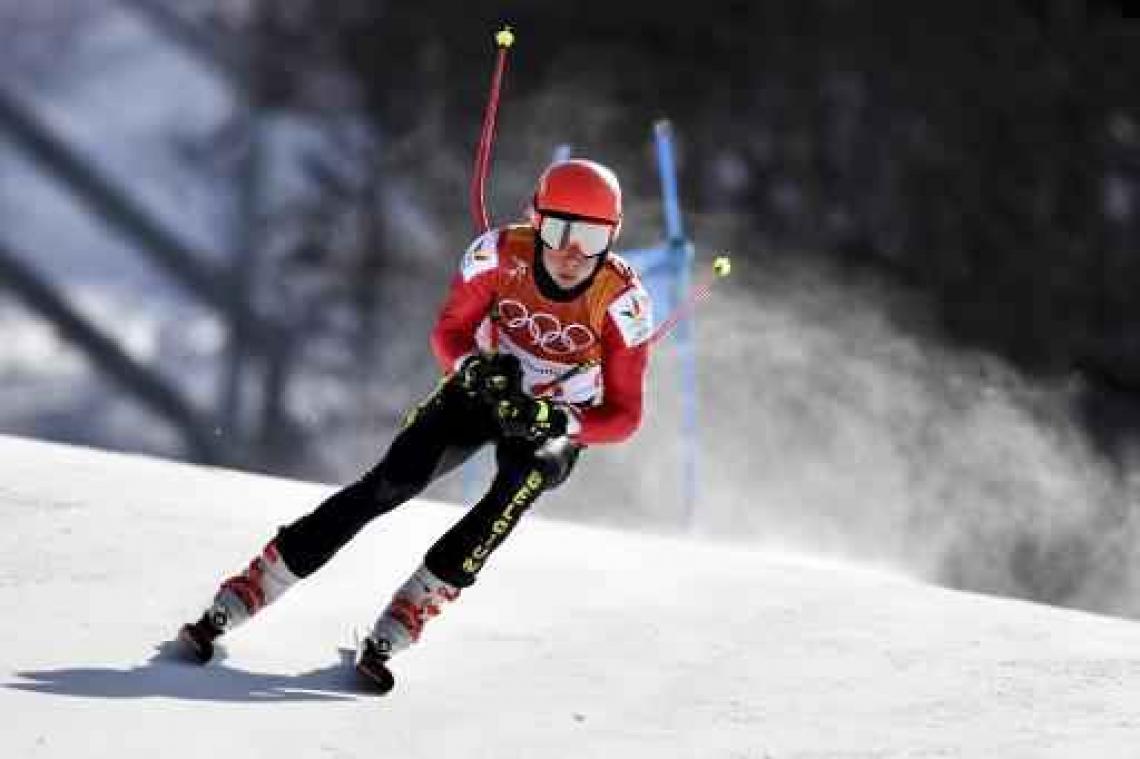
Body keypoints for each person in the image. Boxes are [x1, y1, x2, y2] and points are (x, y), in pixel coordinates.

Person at [178, 158, 654, 693]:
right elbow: (448, 333)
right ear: (535, 220)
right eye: (560, 231)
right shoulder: (497, 255)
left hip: (555, 417)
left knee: (520, 483)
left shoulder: (622, 302)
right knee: (394, 481)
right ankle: (260, 580)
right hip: (484, 390)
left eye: (591, 237)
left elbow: (625, 416)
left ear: (613, 237)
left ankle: (416, 604)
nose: (572, 253)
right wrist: (470, 367)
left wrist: (556, 417)